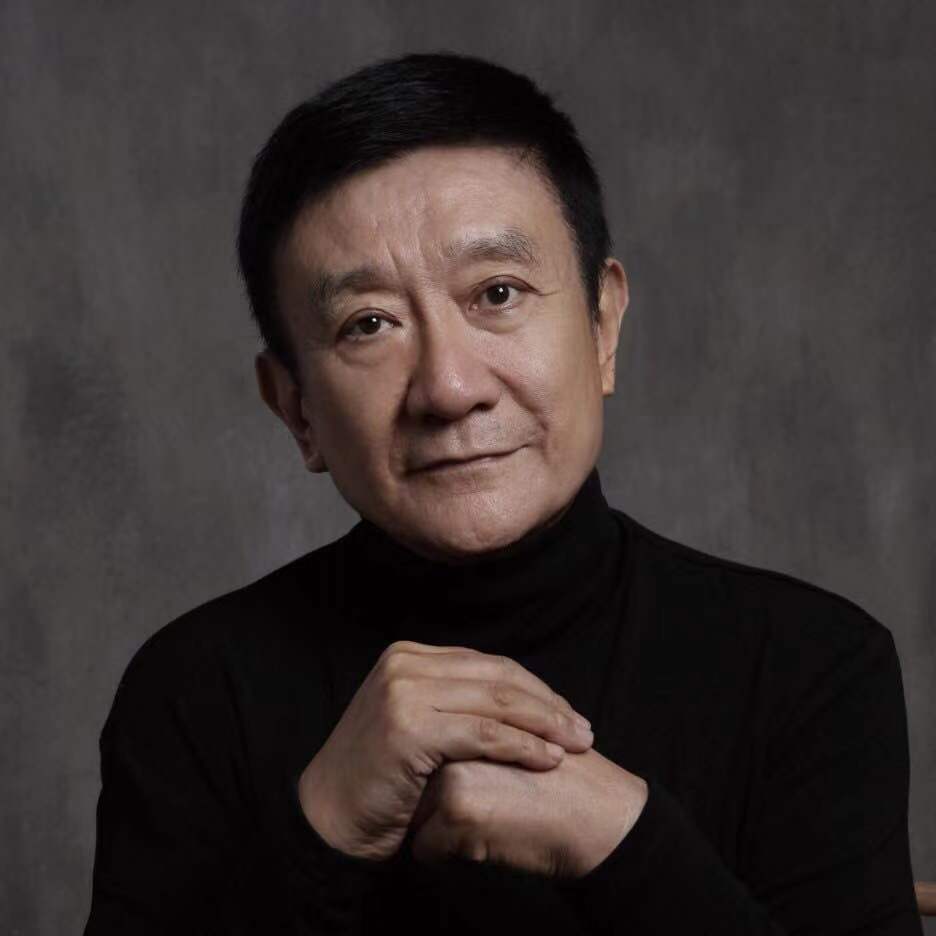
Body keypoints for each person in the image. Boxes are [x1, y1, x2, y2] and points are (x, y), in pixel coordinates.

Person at [83, 51, 923, 934]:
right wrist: (322, 832)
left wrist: (623, 843)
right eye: (369, 324)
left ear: (603, 325)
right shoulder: (193, 694)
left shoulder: (810, 669)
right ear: (296, 409)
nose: (449, 388)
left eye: (497, 293)